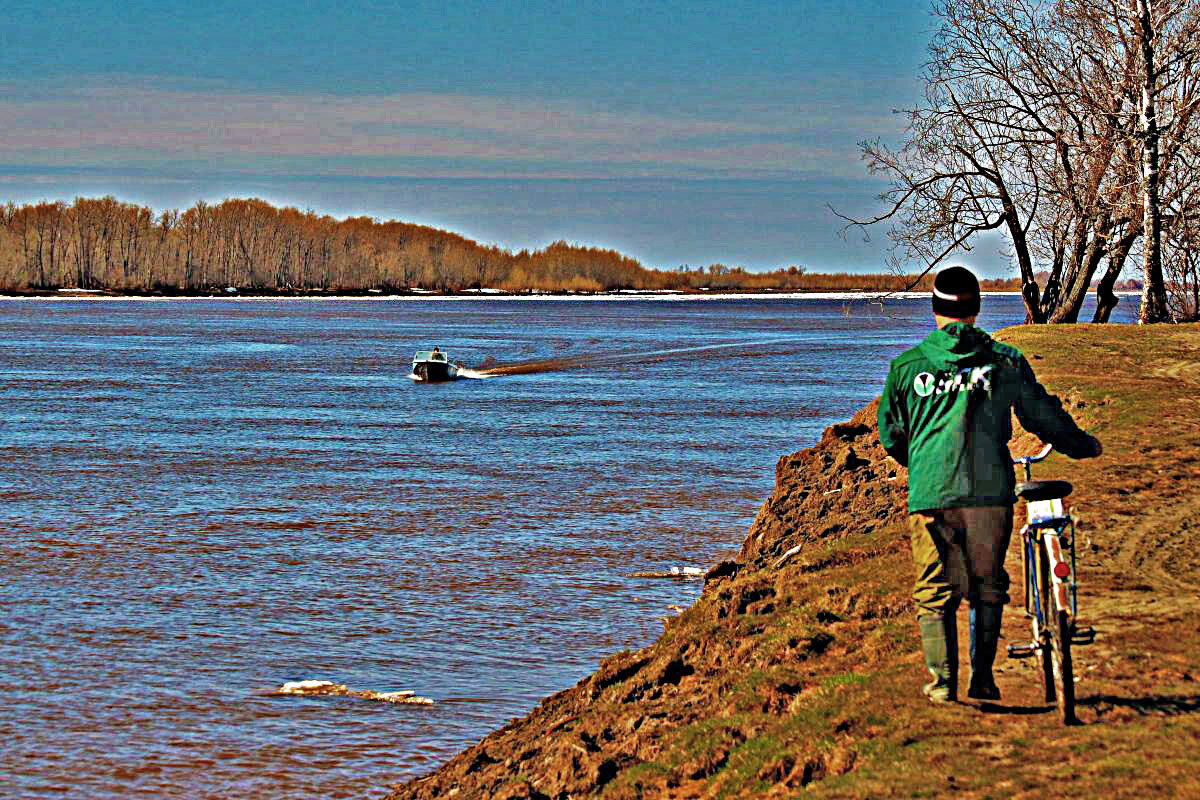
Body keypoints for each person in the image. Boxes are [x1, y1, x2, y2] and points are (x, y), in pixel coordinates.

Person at [877, 266, 1102, 703]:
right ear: (976, 309)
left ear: (935, 310)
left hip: (932, 494)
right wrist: (1082, 445)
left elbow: (891, 435)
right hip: (990, 494)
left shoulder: (906, 368)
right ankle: (982, 679)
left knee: (934, 590)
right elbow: (1041, 416)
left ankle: (942, 686)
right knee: (987, 585)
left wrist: (922, 462)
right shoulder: (1005, 362)